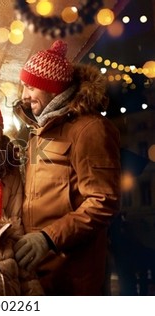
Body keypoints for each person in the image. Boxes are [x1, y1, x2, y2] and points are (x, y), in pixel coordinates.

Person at [12, 40, 121, 295]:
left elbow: (103, 201)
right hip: (39, 271)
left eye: (30, 87)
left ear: (53, 89)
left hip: (72, 275)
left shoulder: (90, 129)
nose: (24, 96)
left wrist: (48, 238)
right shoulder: (40, 131)